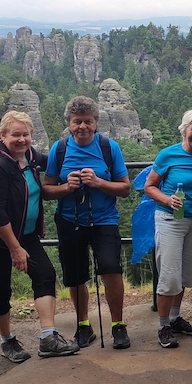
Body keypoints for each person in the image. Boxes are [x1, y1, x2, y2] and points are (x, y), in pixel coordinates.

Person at [0, 111, 79, 362]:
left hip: (27, 233)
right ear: (3, 136)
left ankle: (48, 338)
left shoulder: (30, 157)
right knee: (1, 289)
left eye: (26, 134)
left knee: (45, 274)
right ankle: (7, 341)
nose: (22, 139)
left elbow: (54, 163)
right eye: (16, 135)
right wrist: (14, 248)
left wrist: (79, 173)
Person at [42, 96, 131, 349]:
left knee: (111, 269)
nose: (82, 127)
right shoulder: (59, 150)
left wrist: (98, 183)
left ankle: (118, 325)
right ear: (69, 124)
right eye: (77, 122)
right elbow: (47, 191)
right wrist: (66, 187)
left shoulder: (108, 147)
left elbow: (125, 188)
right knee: (75, 275)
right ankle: (83, 325)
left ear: (96, 123)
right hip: (69, 221)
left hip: (104, 221)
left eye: (88, 122)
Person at [144, 109, 192, 349]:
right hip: (170, 219)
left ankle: (174, 319)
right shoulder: (168, 155)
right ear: (184, 130)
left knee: (185, 274)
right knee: (169, 275)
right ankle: (163, 326)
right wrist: (167, 199)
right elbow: (149, 186)